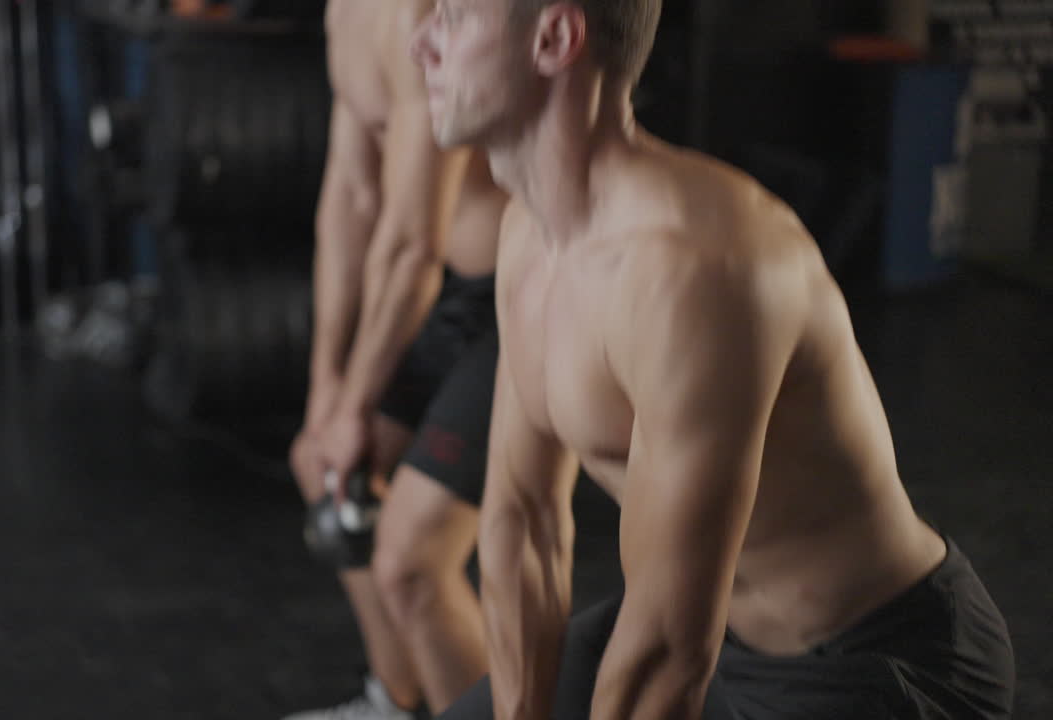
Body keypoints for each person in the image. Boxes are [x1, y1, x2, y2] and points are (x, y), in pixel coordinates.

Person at [410, 1, 1016, 718]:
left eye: (452, 16)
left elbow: (668, 646)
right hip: (722, 637)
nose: (421, 41)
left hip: (877, 664)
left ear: (554, 38)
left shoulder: (698, 267)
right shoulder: (529, 236)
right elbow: (524, 522)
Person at [286, 1, 509, 718]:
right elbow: (348, 198)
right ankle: (397, 705)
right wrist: (327, 387)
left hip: (512, 301)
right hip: (445, 300)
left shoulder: (416, 12)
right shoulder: (345, 12)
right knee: (322, 464)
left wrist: (355, 404)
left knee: (412, 564)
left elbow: (414, 241)